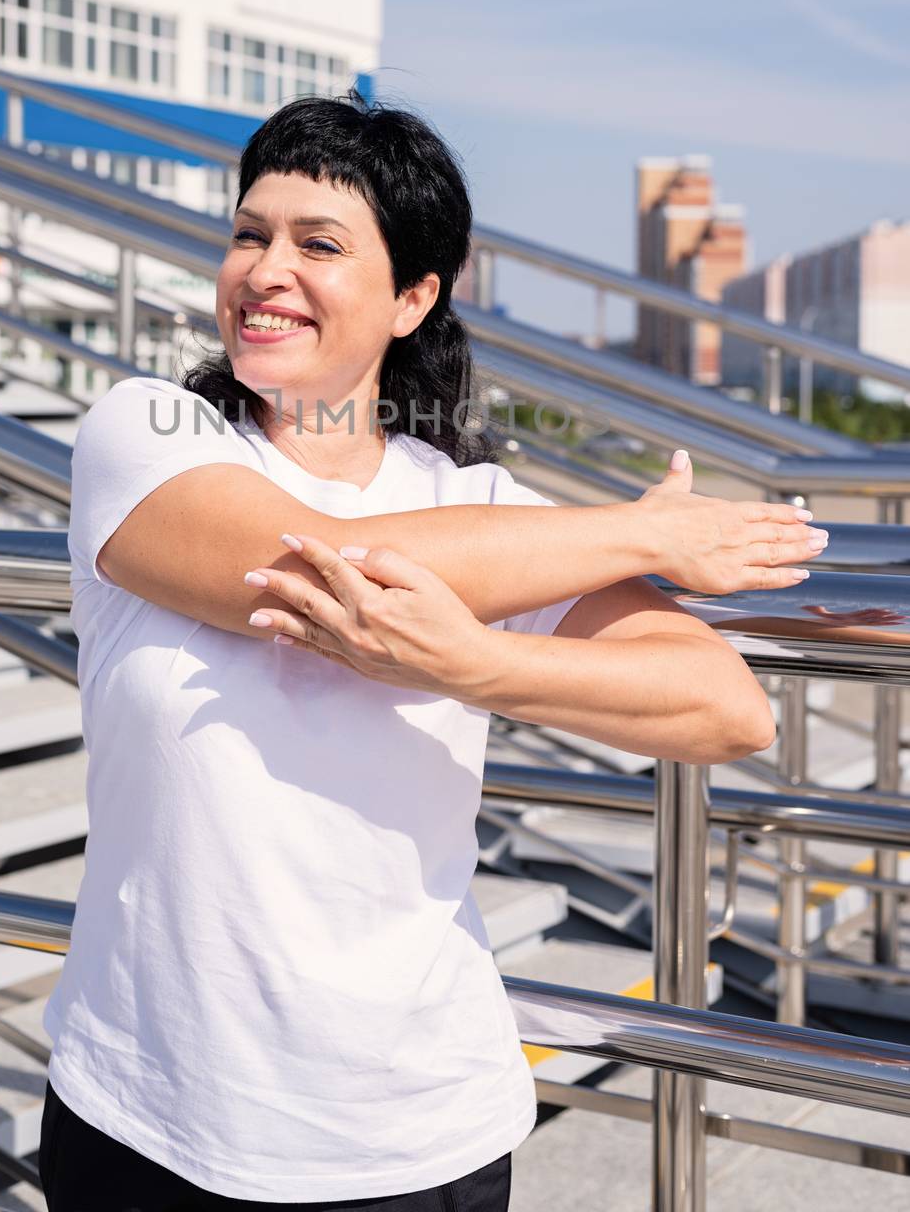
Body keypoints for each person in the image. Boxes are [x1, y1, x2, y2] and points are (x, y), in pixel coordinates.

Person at [40, 93, 826, 1212]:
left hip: (412, 1139)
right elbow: (326, 559)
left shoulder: (477, 511)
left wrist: (477, 666)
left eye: (319, 245)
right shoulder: (143, 437)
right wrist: (646, 531)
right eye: (249, 233)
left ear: (414, 296)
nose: (265, 270)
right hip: (145, 1118)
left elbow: (728, 706)